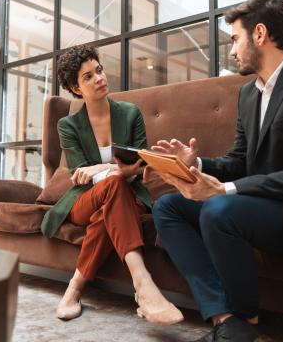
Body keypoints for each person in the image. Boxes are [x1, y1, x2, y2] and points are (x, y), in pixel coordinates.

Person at [152, 0, 283, 342]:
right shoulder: (248, 94)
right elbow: (240, 161)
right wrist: (195, 163)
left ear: (259, 34)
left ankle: (247, 318)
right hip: (255, 208)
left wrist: (224, 190)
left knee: (217, 209)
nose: (231, 51)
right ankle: (228, 320)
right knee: (168, 206)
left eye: (235, 39)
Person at [40, 45, 184, 326]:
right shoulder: (68, 125)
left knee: (112, 201)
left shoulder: (130, 114)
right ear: (75, 87)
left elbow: (142, 164)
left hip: (129, 195)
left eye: (100, 71)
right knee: (114, 185)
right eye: (88, 77)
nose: (99, 79)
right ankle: (143, 285)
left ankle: (75, 288)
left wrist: (105, 168)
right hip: (85, 198)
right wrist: (115, 170)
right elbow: (82, 175)